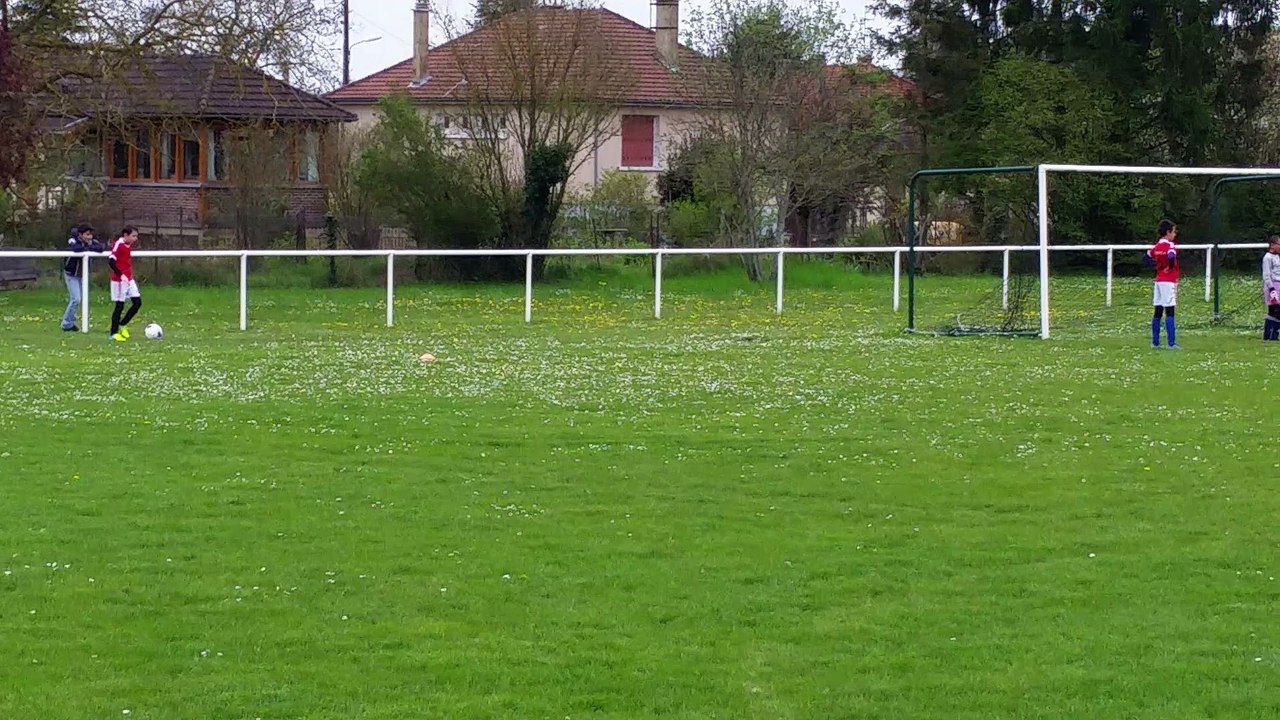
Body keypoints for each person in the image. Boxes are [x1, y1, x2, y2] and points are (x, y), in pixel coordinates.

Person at [61, 224, 103, 332]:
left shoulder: (91, 242)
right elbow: (76, 249)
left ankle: (69, 323)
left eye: (90, 234)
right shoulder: (73, 240)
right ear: (80, 235)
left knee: (80, 299)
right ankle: (66, 323)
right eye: (87, 234)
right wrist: (87, 247)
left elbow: (101, 247)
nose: (90, 237)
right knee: (76, 299)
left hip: (82, 276)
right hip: (71, 275)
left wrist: (89, 247)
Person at [1146, 219, 1180, 349]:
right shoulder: (1170, 246)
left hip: (1159, 280)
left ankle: (1155, 342)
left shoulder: (1157, 246)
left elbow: (1146, 257)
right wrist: (1170, 268)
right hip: (1168, 280)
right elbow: (1171, 256)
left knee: (1158, 311)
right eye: (1174, 231)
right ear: (1168, 232)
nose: (1175, 234)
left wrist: (1156, 267)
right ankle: (1171, 343)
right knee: (1170, 311)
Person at [107, 226, 141, 342]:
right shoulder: (119, 244)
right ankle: (113, 333)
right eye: (133, 236)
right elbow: (111, 261)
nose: (135, 239)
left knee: (137, 303)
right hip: (119, 279)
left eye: (136, 236)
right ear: (125, 235)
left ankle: (123, 324)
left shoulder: (128, 245)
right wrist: (120, 274)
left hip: (129, 278)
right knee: (119, 306)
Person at [1264, 236, 1280, 341]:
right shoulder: (1268, 257)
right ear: (1272, 245)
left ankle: (1274, 335)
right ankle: (1268, 335)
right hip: (1273, 286)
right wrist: (1271, 289)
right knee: (1274, 310)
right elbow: (1266, 275)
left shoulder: (1278, 256)